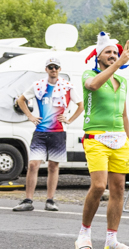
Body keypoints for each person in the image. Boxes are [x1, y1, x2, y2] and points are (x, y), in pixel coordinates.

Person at [76, 33, 129, 249]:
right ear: (99, 56)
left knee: (118, 189)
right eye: (108, 52)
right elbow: (94, 85)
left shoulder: (122, 82)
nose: (113, 55)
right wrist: (120, 62)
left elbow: (124, 116)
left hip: (119, 140)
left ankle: (111, 240)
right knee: (98, 186)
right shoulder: (89, 74)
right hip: (96, 137)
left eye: (116, 52)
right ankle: (84, 234)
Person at [14, 56, 80, 212]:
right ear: (46, 69)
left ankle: (50, 200)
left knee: (53, 166)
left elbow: (81, 105)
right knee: (33, 164)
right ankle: (28, 200)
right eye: (51, 67)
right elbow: (21, 100)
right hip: (41, 131)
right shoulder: (38, 85)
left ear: (60, 69)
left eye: (56, 67)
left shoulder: (67, 87)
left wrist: (69, 120)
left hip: (58, 132)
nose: (53, 70)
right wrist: (30, 116)